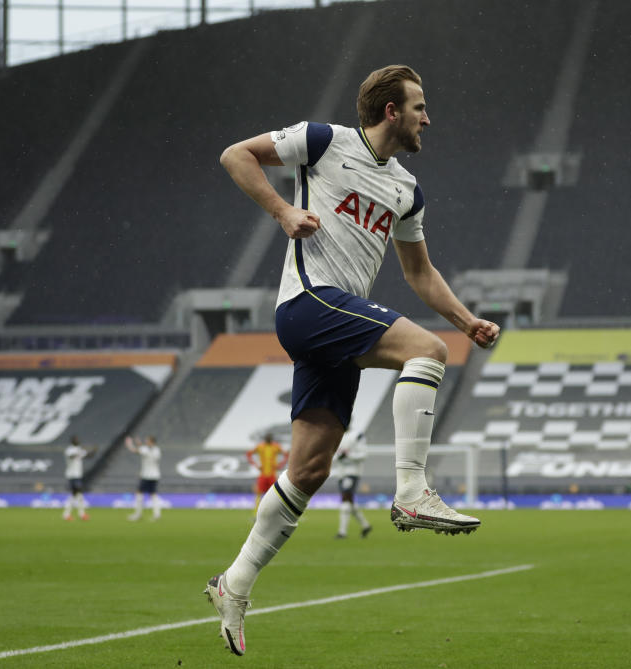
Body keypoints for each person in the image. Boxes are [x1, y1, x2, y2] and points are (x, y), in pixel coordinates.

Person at [203, 64, 500, 656]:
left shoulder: (407, 189)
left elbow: (419, 273)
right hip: (309, 303)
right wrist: (283, 213)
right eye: (420, 107)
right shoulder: (324, 140)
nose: (427, 118)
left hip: (335, 325)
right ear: (392, 110)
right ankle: (412, 491)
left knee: (309, 471)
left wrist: (467, 320)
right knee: (427, 351)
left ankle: (233, 585)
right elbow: (235, 155)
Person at [332, 428, 372, 539]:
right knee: (349, 501)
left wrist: (349, 456)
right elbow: (333, 454)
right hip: (340, 473)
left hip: (352, 472)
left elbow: (364, 454)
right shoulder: (337, 434)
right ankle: (366, 525)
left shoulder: (357, 435)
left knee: (345, 499)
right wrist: (338, 457)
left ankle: (342, 532)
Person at [246, 433, 288, 512]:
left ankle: (275, 512)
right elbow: (248, 454)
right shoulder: (260, 446)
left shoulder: (276, 446)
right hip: (263, 474)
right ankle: (257, 514)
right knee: (258, 493)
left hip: (272, 474)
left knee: (276, 494)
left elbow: (286, 454)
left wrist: (280, 464)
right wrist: (256, 465)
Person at [125, 435, 162, 521]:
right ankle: (157, 514)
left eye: (148, 440)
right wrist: (139, 444)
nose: (146, 442)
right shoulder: (157, 450)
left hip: (147, 476)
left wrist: (129, 443)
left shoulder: (147, 450)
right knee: (153, 494)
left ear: (152, 442)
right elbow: (142, 449)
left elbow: (135, 450)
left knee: (139, 493)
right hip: (155, 475)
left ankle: (138, 514)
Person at [63, 435, 96, 521]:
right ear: (72, 441)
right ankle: (80, 514)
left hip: (77, 475)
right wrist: (79, 453)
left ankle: (68, 514)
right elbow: (71, 456)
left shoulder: (78, 449)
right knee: (78, 493)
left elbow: (88, 456)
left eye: (78, 439)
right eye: (76, 439)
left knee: (76, 494)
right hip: (72, 475)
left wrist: (93, 451)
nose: (77, 440)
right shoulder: (69, 449)